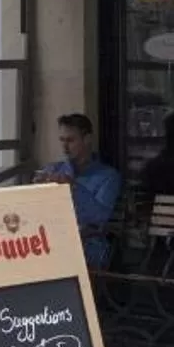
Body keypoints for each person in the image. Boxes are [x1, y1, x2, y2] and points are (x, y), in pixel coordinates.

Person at [38, 112, 124, 266]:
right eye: (62, 140)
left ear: (87, 139)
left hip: (87, 246)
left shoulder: (108, 176)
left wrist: (73, 188)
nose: (64, 147)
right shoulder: (53, 170)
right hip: (50, 241)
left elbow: (99, 217)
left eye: (70, 140)